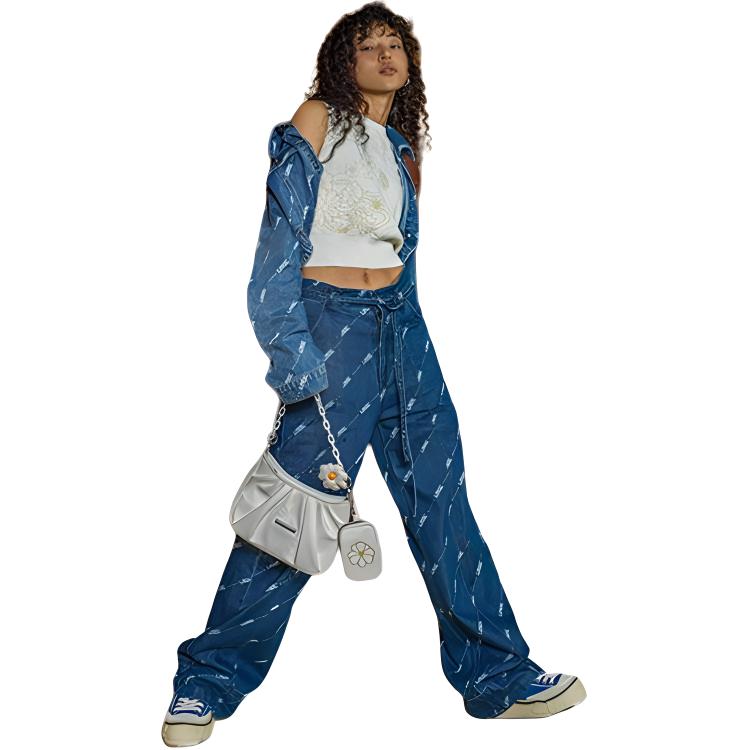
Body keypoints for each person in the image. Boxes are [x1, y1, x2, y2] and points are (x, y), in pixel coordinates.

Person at [161, 3, 586, 746]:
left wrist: (407, 336)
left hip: (403, 330)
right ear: (343, 61)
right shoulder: (317, 119)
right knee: (293, 512)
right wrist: (295, 356)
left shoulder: (402, 147)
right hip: (332, 330)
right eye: (369, 45)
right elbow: (278, 244)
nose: (386, 54)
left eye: (396, 43)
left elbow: (401, 256)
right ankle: (204, 685)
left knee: (444, 504)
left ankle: (498, 677)